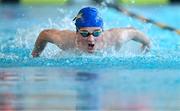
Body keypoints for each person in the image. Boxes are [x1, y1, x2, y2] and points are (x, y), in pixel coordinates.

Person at [31, 7, 150, 57]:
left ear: (102, 31)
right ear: (77, 32)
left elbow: (135, 33)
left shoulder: (117, 38)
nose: (91, 39)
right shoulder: (65, 40)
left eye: (96, 33)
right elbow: (44, 34)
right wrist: (35, 55)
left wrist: (147, 49)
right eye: (84, 33)